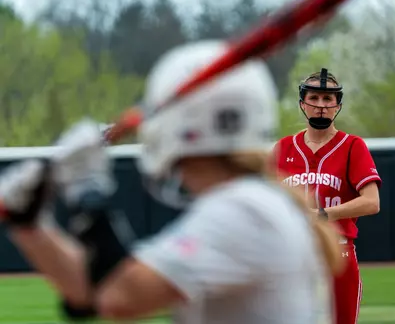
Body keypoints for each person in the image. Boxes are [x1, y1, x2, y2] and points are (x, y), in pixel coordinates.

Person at [0, 40, 344, 323]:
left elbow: (119, 297)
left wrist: (86, 189)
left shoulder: (244, 209)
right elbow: (93, 291)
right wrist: (28, 222)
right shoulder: (252, 203)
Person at [272, 68, 381, 324]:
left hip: (337, 254)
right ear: (303, 103)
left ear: (337, 105)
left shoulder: (353, 146)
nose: (321, 105)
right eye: (314, 98)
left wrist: (323, 214)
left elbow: (372, 201)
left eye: (328, 99)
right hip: (292, 255)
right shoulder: (284, 148)